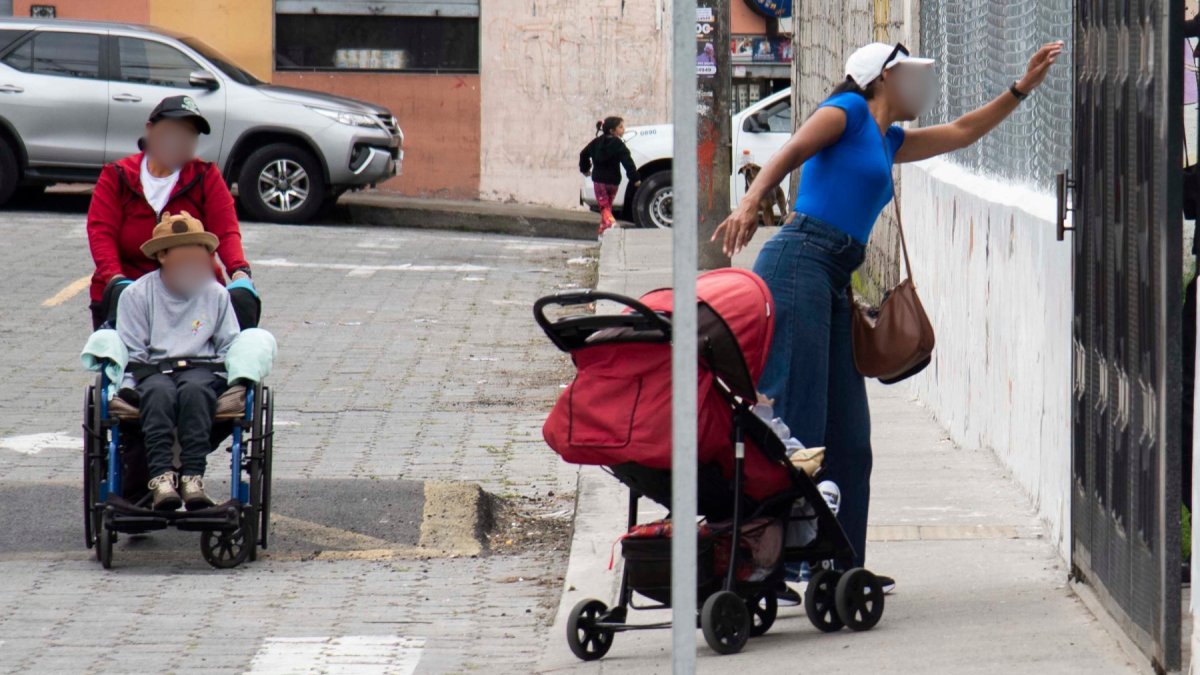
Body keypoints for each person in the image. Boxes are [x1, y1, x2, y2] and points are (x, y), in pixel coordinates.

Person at [713, 40, 1064, 592]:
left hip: (832, 276)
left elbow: (964, 130)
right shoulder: (847, 112)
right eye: (909, 76)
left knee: (850, 437)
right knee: (796, 423)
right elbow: (789, 153)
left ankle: (841, 565)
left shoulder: (887, 138)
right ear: (880, 80)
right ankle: (770, 563)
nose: (920, 88)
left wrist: (1021, 88)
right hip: (800, 262)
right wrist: (751, 200)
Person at [87, 95, 259, 331]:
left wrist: (240, 272)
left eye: (190, 134)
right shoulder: (117, 175)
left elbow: (227, 232)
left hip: (192, 292)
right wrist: (114, 279)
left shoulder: (205, 175)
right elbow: (101, 233)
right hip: (128, 289)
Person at [117, 212, 240, 511]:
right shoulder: (136, 294)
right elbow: (133, 351)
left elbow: (229, 344)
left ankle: (192, 477)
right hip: (154, 369)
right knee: (159, 393)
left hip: (201, 368)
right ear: (162, 255)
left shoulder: (216, 294)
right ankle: (161, 479)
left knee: (195, 391)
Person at [579, 116, 640, 236]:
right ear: (612, 131)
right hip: (614, 182)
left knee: (604, 207)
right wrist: (635, 178)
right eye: (620, 127)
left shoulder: (595, 143)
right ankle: (603, 232)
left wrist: (585, 169)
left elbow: (583, 154)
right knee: (607, 207)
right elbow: (628, 162)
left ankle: (611, 223)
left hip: (599, 181)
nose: (623, 129)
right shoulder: (619, 145)